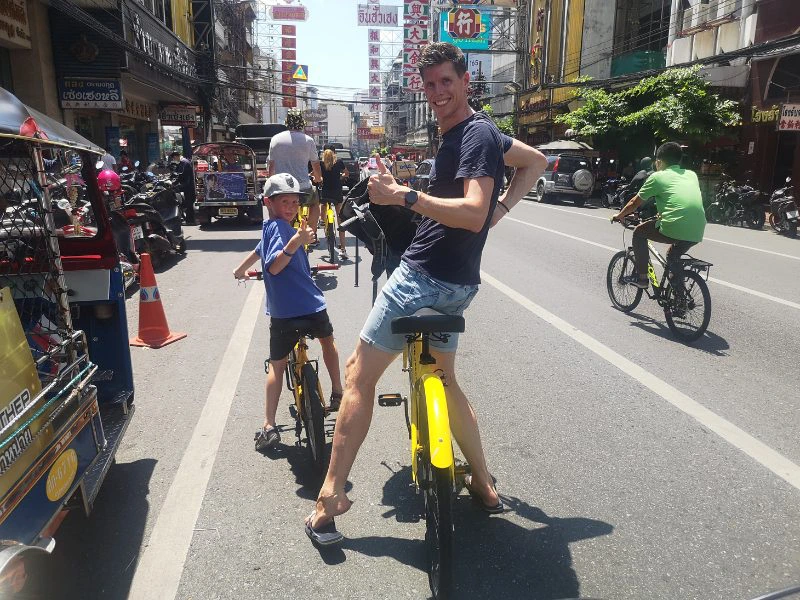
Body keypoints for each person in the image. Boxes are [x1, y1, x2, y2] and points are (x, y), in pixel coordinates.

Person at [303, 41, 548, 546]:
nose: (437, 93)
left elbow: (473, 209)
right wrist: (498, 212)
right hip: (460, 286)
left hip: (420, 278)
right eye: (430, 84)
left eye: (446, 82)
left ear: (465, 81)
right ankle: (482, 483)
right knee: (447, 380)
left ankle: (330, 495)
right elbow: (537, 162)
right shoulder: (484, 133)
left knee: (357, 377)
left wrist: (403, 196)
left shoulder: (473, 133)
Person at [233, 173, 345, 451]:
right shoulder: (282, 229)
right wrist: (296, 241)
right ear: (268, 202)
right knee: (328, 343)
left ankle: (269, 425)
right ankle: (338, 391)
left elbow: (266, 261)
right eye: (285, 201)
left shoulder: (275, 227)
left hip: (284, 314)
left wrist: (239, 270)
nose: (292, 207)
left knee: (277, 365)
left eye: (295, 202)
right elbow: (271, 262)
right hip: (313, 306)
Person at [612, 142, 706, 290]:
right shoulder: (691, 175)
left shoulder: (657, 177)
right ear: (679, 160)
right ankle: (679, 294)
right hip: (698, 229)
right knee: (673, 256)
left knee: (639, 232)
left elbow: (634, 202)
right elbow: (679, 198)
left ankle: (642, 278)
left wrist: (620, 215)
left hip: (674, 225)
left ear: (659, 161)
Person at [268, 110, 322, 242]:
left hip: (281, 188)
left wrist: (271, 181)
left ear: (287, 122)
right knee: (315, 204)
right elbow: (315, 165)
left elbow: (271, 166)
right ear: (301, 123)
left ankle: (279, 235)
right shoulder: (308, 140)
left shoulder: (275, 139)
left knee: (277, 213)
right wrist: (318, 178)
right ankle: (311, 234)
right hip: (303, 188)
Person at [319, 147, 350, 259]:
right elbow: (346, 173)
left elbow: (316, 176)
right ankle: (343, 249)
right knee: (340, 218)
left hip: (326, 193)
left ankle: (322, 221)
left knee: (323, 205)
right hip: (337, 193)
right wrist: (340, 177)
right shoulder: (339, 162)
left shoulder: (321, 164)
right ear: (334, 154)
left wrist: (320, 179)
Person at [169, 151, 196, 225]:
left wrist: (175, 184)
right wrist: (173, 182)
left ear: (176, 156)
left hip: (188, 186)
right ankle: (190, 220)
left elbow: (180, 175)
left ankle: (190, 221)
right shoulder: (182, 162)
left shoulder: (184, 163)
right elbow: (178, 175)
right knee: (189, 203)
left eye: (173, 158)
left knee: (189, 203)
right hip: (187, 185)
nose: (174, 160)